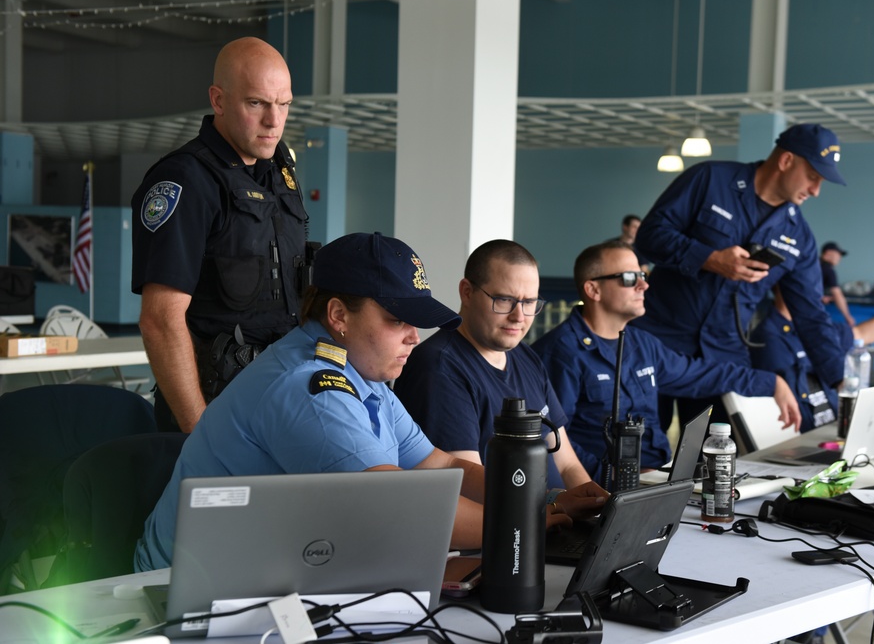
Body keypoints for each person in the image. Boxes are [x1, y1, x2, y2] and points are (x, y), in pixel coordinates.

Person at [134, 232, 606, 572]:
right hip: (189, 588)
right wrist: (521, 524)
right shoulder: (310, 387)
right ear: (339, 315)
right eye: (397, 319)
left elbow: (437, 467)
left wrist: (546, 496)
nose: (412, 336)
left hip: (275, 569)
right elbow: (394, 507)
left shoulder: (364, 372)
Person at [131, 37, 311, 433]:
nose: (274, 121)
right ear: (218, 100)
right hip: (215, 407)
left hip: (282, 397)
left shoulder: (278, 175)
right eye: (257, 103)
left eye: (284, 104)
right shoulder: (184, 179)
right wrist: (200, 431)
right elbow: (160, 320)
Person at [633, 123, 849, 428]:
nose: (816, 191)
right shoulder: (710, 179)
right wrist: (708, 258)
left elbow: (811, 315)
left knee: (713, 460)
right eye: (813, 177)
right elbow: (649, 237)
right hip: (658, 340)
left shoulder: (798, 237)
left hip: (722, 356)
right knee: (641, 453)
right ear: (786, 161)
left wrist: (842, 382)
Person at [531, 240, 800, 478]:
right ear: (593, 290)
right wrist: (619, 476)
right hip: (602, 489)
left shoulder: (642, 344)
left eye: (643, 274)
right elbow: (553, 439)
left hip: (659, 478)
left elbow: (701, 374)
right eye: (628, 277)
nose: (643, 284)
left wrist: (772, 382)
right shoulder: (561, 353)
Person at [393, 240, 606, 497]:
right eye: (505, 300)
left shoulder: (526, 356)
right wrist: (558, 508)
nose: (519, 316)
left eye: (529, 302)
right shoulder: (439, 367)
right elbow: (468, 489)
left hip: (553, 519)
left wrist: (596, 510)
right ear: (467, 292)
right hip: (507, 529)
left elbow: (568, 463)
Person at [751, 279, 874, 431]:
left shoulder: (815, 327)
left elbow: (861, 335)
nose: (820, 291)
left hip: (838, 428)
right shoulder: (769, 338)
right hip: (810, 437)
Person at [820, 241, 855, 326]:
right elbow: (837, 294)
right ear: (828, 252)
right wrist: (848, 317)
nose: (839, 257)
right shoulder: (828, 270)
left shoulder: (812, 264)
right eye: (838, 254)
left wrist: (819, 297)